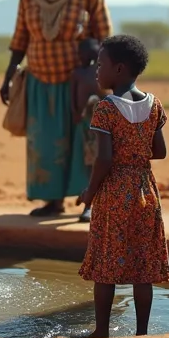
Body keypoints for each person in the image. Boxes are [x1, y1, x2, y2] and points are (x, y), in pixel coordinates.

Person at [0, 0, 112, 218]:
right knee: (44, 144)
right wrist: (8, 77)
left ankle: (90, 202)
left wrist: (104, 76)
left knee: (85, 144)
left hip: (80, 83)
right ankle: (53, 201)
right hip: (40, 82)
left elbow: (104, 36)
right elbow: (20, 38)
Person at [76, 35, 169, 338]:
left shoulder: (106, 108)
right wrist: (135, 152)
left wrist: (89, 193)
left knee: (106, 264)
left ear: (119, 69)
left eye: (100, 64)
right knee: (143, 266)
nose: (96, 70)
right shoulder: (154, 105)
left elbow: (103, 159)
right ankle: (141, 333)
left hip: (114, 192)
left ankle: (101, 331)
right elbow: (160, 151)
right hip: (145, 189)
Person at [71, 38, 102, 223]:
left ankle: (91, 205)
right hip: (86, 126)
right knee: (90, 165)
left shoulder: (101, 72)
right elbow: (73, 98)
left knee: (97, 164)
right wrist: (77, 113)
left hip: (101, 126)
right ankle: (89, 204)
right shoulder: (79, 73)